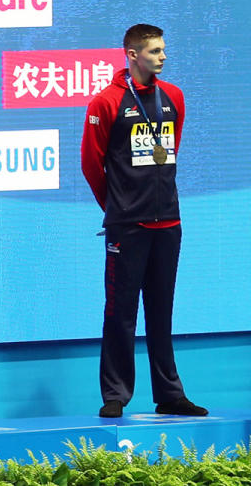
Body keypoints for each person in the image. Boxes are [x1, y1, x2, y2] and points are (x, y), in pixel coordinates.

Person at [81, 23, 207, 418]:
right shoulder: (105, 102)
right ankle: (116, 394)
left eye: (163, 50)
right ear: (132, 54)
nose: (163, 57)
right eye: (154, 51)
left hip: (168, 223)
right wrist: (117, 207)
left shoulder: (174, 97)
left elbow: (169, 154)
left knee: (161, 311)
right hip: (127, 226)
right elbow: (91, 164)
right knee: (120, 312)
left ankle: (170, 394)